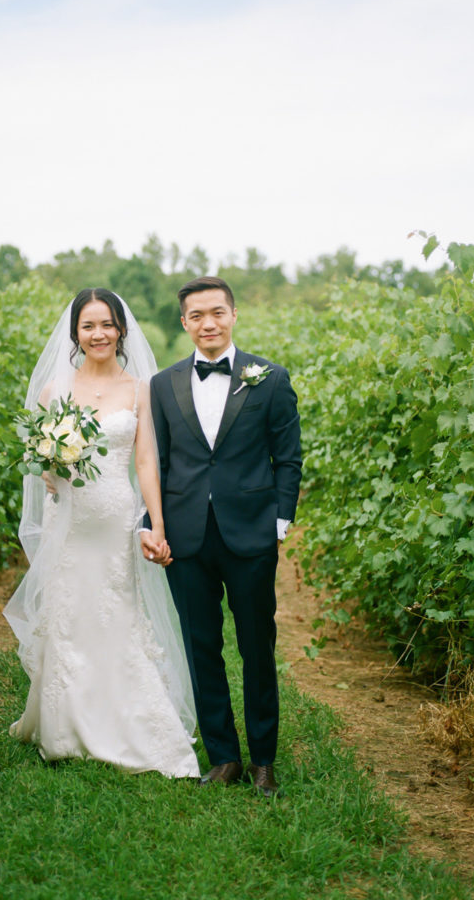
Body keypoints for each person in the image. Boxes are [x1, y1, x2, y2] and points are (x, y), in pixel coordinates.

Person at [4, 288, 199, 779]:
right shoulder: (54, 391)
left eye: (107, 325)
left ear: (122, 330)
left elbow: (146, 459)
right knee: (69, 614)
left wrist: (155, 522)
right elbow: (41, 464)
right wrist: (49, 471)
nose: (99, 334)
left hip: (115, 518)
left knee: (116, 613)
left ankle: (128, 721)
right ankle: (65, 726)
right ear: (75, 334)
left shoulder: (139, 389)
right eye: (88, 326)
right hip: (68, 521)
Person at [148, 276, 301, 796]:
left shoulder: (270, 379)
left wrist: (279, 522)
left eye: (217, 312)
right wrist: (156, 527)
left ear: (233, 315)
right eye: (196, 315)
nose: (207, 323)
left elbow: (289, 457)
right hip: (187, 538)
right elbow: (160, 462)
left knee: (257, 646)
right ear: (185, 322)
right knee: (201, 647)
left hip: (251, 533)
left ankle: (263, 761)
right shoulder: (163, 384)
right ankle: (223, 757)